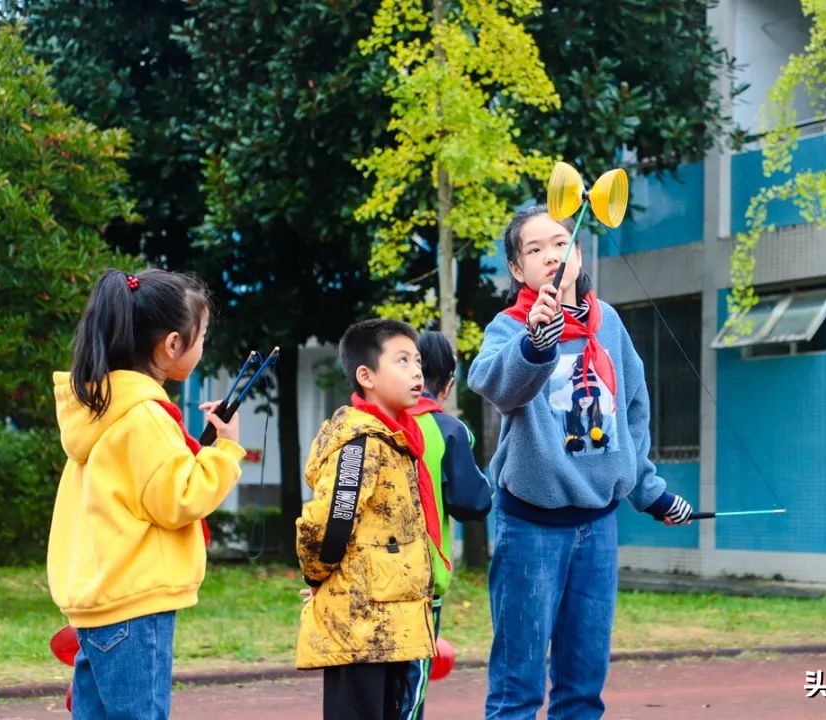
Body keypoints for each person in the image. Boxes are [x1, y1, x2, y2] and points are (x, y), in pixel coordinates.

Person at [467, 204, 694, 719]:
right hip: (530, 525)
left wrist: (649, 491)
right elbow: (494, 385)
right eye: (535, 248)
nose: (552, 254)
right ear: (518, 269)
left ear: (578, 253)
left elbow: (632, 413)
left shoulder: (607, 321)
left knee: (583, 686)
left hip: (598, 528)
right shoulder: (509, 327)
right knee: (518, 688)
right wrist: (536, 343)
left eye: (560, 241)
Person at [47, 268, 245, 720]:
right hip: (136, 602)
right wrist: (228, 449)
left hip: (100, 601)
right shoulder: (146, 417)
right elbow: (180, 499)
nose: (201, 349)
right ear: (172, 344)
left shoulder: (101, 408)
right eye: (201, 338)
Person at [296, 319, 441, 720]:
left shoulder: (399, 439)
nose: (416, 371)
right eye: (401, 360)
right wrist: (318, 578)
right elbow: (329, 525)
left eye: (417, 360)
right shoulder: (360, 442)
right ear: (367, 376)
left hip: (392, 624)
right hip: (359, 626)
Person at [402, 330, 493, 718]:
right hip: (422, 578)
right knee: (412, 685)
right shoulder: (451, 430)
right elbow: (473, 502)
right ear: (449, 383)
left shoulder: (373, 422)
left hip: (371, 576)